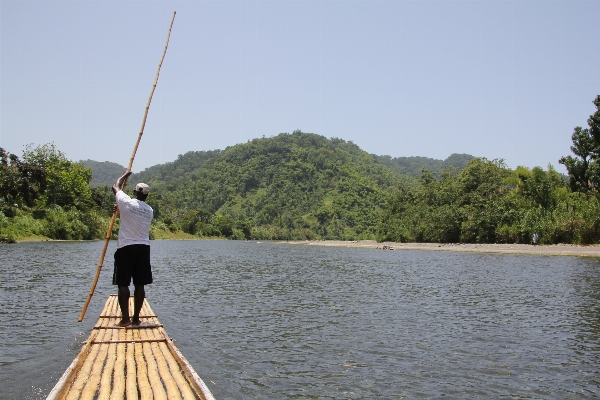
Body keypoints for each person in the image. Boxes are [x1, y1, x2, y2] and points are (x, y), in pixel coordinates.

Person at [112, 170, 154, 327]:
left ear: (135, 192)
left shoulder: (127, 203)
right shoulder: (149, 211)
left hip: (126, 247)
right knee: (140, 284)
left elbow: (115, 186)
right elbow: (133, 216)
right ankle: (136, 319)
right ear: (146, 196)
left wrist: (124, 175)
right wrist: (119, 210)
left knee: (123, 283)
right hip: (143, 248)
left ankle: (125, 319)